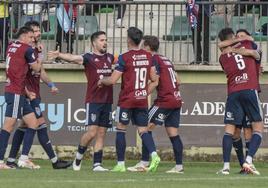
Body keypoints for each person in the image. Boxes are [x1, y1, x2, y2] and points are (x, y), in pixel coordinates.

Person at [5, 21, 72, 169]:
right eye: (34, 32)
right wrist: (28, 92)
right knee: (38, 124)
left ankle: (11, 160)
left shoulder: (32, 49)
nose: (37, 34)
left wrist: (51, 84)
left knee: (26, 125)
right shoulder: (26, 50)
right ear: (27, 34)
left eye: (38, 31)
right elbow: (31, 70)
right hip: (27, 94)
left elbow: (40, 72)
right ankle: (49, 161)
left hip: (31, 92)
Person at [48, 31, 114, 172]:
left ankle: (97, 164)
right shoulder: (89, 58)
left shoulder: (110, 57)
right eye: (102, 40)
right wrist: (59, 55)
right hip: (94, 100)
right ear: (94, 43)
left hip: (107, 100)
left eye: (106, 40)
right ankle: (78, 159)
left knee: (102, 133)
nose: (105, 42)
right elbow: (73, 58)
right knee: (91, 132)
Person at [98, 27, 160, 172]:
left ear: (129, 40)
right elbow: (154, 80)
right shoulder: (148, 56)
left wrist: (101, 80)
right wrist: (144, 93)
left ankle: (120, 164)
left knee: (121, 129)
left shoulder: (124, 57)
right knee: (143, 130)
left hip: (127, 99)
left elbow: (113, 80)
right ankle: (154, 155)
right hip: (141, 100)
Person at [127, 35, 184, 173]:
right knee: (173, 133)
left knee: (144, 127)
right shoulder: (166, 59)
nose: (140, 48)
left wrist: (141, 94)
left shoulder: (152, 59)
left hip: (165, 100)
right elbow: (178, 81)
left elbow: (156, 81)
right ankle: (178, 166)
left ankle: (144, 162)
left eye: (142, 45)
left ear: (147, 47)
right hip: (176, 99)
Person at [217, 28, 263, 175]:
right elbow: (254, 53)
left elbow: (255, 56)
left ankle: (227, 167)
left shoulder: (223, 57)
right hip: (249, 89)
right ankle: (248, 161)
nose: (241, 37)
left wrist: (232, 49)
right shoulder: (247, 45)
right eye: (238, 36)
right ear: (233, 37)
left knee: (233, 131)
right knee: (256, 129)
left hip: (234, 92)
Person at [0, 26, 42, 169]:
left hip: (18, 91)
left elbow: (15, 72)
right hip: (16, 92)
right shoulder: (28, 49)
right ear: (23, 36)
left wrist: (26, 92)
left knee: (33, 123)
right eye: (31, 37)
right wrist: (39, 54)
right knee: (8, 126)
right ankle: (0, 161)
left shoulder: (11, 46)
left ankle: (23, 159)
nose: (33, 40)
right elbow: (37, 69)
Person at [186, 0, 214, 65]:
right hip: (193, 9)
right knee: (195, 35)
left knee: (206, 35)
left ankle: (206, 59)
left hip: (206, 10)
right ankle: (197, 59)